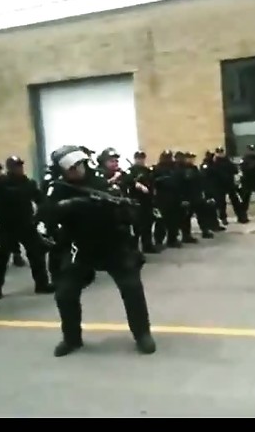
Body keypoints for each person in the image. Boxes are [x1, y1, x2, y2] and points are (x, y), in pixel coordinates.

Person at [40, 145, 156, 357]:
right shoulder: (57, 187)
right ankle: (72, 339)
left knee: (131, 287)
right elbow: (46, 213)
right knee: (65, 293)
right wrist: (71, 205)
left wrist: (115, 208)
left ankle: (142, 334)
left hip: (112, 244)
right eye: (71, 167)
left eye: (79, 164)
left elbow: (125, 211)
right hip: (80, 246)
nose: (77, 169)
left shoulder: (100, 181)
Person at [0, 156, 54, 299]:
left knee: (37, 253)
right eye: (16, 166)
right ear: (9, 168)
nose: (19, 169)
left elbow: (41, 200)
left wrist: (38, 218)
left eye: (20, 166)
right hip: (5, 225)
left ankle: (42, 284)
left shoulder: (28, 183)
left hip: (26, 224)